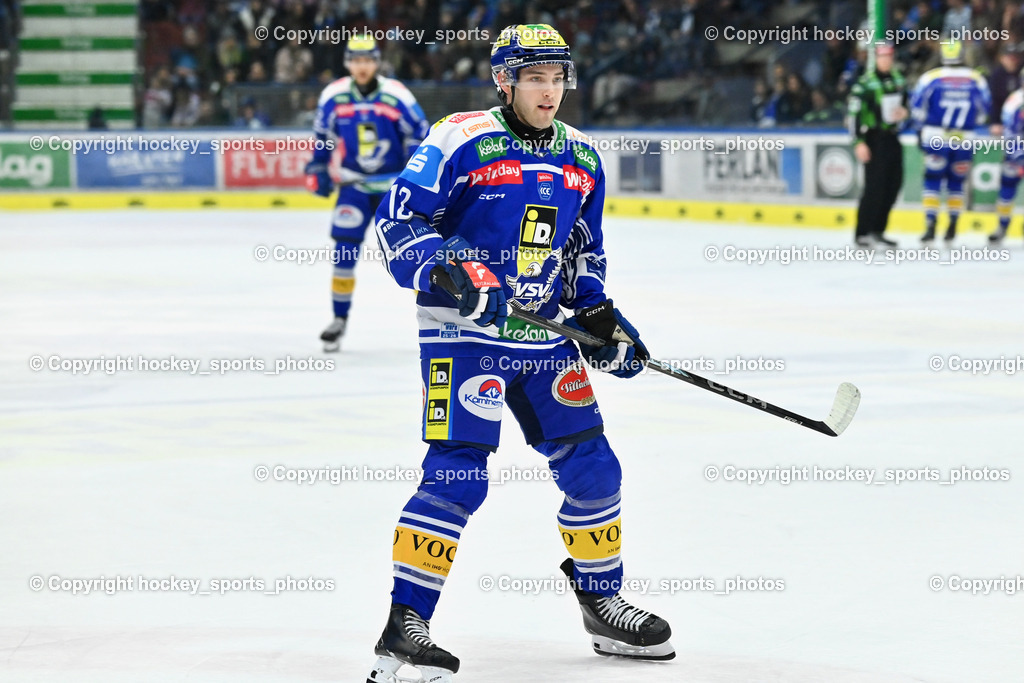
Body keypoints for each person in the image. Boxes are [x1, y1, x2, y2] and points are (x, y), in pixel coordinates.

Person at [366, 24, 673, 683]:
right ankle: (406, 620)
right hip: (464, 334)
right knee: (458, 472)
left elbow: (582, 253)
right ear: (504, 80)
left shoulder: (583, 158)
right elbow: (396, 224)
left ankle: (601, 598)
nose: (550, 90)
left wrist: (599, 318)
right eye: (536, 77)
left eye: (559, 77)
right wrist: (452, 268)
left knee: (595, 466)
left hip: (542, 337)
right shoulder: (460, 136)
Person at [305, 35, 429, 351]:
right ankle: (339, 319)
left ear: (377, 62)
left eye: (368, 60)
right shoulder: (333, 96)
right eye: (356, 60)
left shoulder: (397, 95)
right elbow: (322, 137)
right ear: (348, 63)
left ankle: (437, 319)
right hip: (354, 185)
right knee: (344, 251)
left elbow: (421, 135)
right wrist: (318, 167)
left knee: (415, 253)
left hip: (394, 189)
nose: (362, 66)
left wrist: (415, 176)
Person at [909, 40, 991, 245]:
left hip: (936, 136)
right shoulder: (976, 79)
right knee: (957, 182)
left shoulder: (931, 78)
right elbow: (984, 113)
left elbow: (917, 109)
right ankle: (953, 224)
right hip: (964, 138)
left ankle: (930, 224)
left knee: (932, 180)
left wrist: (920, 131)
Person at [848, 43, 909, 248]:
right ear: (876, 59)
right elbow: (853, 115)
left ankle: (878, 230)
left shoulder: (899, 80)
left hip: (893, 137)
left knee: (894, 185)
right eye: (883, 57)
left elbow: (906, 105)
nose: (886, 61)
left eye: (889, 57)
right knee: (874, 187)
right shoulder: (865, 84)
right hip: (874, 139)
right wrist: (859, 142)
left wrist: (905, 113)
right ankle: (862, 231)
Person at [991, 77, 1024, 245]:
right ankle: (1002, 226)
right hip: (1017, 153)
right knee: (1007, 188)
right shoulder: (1015, 101)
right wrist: (1019, 156)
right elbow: (1009, 132)